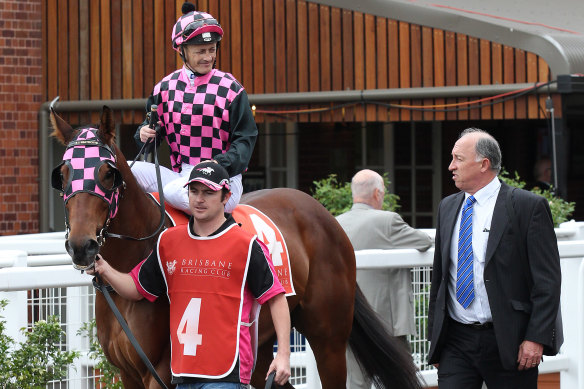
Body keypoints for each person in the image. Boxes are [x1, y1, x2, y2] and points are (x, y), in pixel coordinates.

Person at [88, 161, 291, 388]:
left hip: (226, 375)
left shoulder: (247, 245)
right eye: (193, 191)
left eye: (208, 192)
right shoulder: (169, 241)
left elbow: (276, 298)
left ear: (226, 197)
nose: (199, 199)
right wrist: (104, 268)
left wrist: (283, 354)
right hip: (183, 375)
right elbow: (136, 289)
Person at [427, 128, 562, 388]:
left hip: (511, 341)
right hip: (456, 341)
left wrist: (536, 337)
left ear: (484, 164)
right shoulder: (447, 207)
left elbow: (547, 281)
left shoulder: (527, 207)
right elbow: (440, 279)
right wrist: (437, 341)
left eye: (458, 159)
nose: (450, 166)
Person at [132, 2, 258, 214]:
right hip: (181, 177)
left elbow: (245, 140)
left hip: (223, 177)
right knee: (126, 170)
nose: (208, 57)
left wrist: (219, 163)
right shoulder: (163, 89)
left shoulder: (231, 89)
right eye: (200, 51)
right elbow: (153, 136)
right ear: (181, 50)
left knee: (175, 192)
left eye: (212, 49)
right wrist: (144, 134)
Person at [336, 169, 433, 389]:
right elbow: (424, 241)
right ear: (378, 193)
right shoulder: (387, 220)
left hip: (349, 318)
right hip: (386, 321)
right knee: (401, 379)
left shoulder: (336, 223)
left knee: (356, 382)